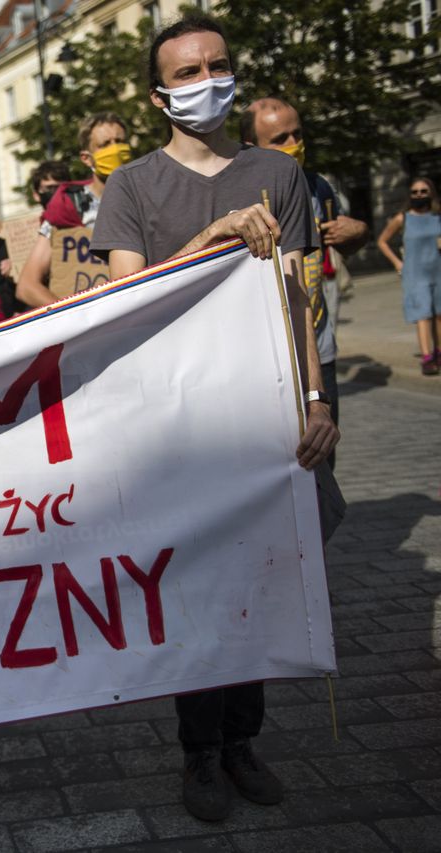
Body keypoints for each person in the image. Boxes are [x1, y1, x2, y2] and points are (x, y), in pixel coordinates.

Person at [90, 14, 338, 823]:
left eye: (219, 66)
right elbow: (129, 303)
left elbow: (298, 292)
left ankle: (242, 740)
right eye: (189, 72)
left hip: (266, 412)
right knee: (198, 588)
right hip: (179, 419)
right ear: (161, 95)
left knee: (261, 580)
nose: (208, 82)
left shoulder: (278, 170)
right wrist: (215, 234)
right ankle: (198, 750)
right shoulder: (131, 187)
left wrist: (316, 396)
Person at [243, 96, 371, 412]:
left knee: (324, 455)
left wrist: (358, 234)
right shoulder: (241, 197)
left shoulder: (319, 187)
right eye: (280, 139)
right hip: (264, 357)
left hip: (320, 349)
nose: (294, 144)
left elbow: (343, 247)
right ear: (252, 145)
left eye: (297, 134)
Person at [17, 113, 132, 301]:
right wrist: (76, 318)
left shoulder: (147, 195)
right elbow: (28, 286)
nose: (115, 150)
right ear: (87, 158)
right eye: (105, 145)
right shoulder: (68, 205)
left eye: (119, 141)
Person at [375, 178, 441, 375]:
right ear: (410, 195)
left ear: (431, 193)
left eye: (423, 191)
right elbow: (382, 242)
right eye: (415, 192)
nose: (419, 195)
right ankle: (427, 357)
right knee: (423, 314)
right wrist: (397, 262)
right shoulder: (402, 218)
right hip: (414, 273)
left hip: (438, 270)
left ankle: (439, 352)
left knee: (439, 315)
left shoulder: (438, 217)